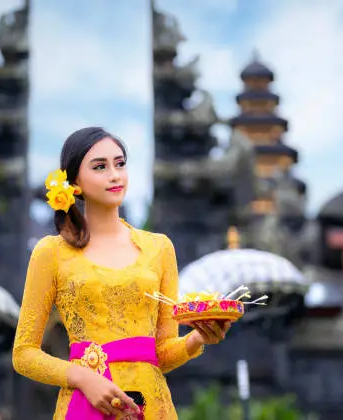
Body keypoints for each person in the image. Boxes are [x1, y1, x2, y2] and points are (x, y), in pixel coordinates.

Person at [13, 127, 231, 419]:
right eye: (100, 167)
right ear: (74, 181)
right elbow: (23, 354)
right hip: (85, 404)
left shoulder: (159, 248)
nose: (115, 174)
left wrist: (198, 338)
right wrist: (83, 378)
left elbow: (162, 353)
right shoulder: (51, 252)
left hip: (151, 406)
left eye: (120, 163)